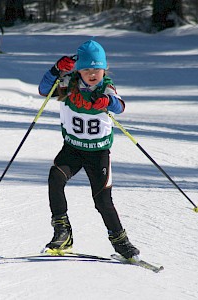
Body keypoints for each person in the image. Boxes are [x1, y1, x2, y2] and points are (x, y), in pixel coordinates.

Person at [38, 40, 140, 259]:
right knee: (55, 177)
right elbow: (43, 90)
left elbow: (119, 106)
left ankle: (121, 242)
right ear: (78, 70)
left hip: (98, 152)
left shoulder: (106, 87)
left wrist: (106, 101)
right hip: (73, 148)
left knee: (102, 201)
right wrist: (55, 70)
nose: (92, 73)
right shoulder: (67, 85)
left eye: (97, 69)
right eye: (86, 69)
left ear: (104, 68)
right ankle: (62, 232)